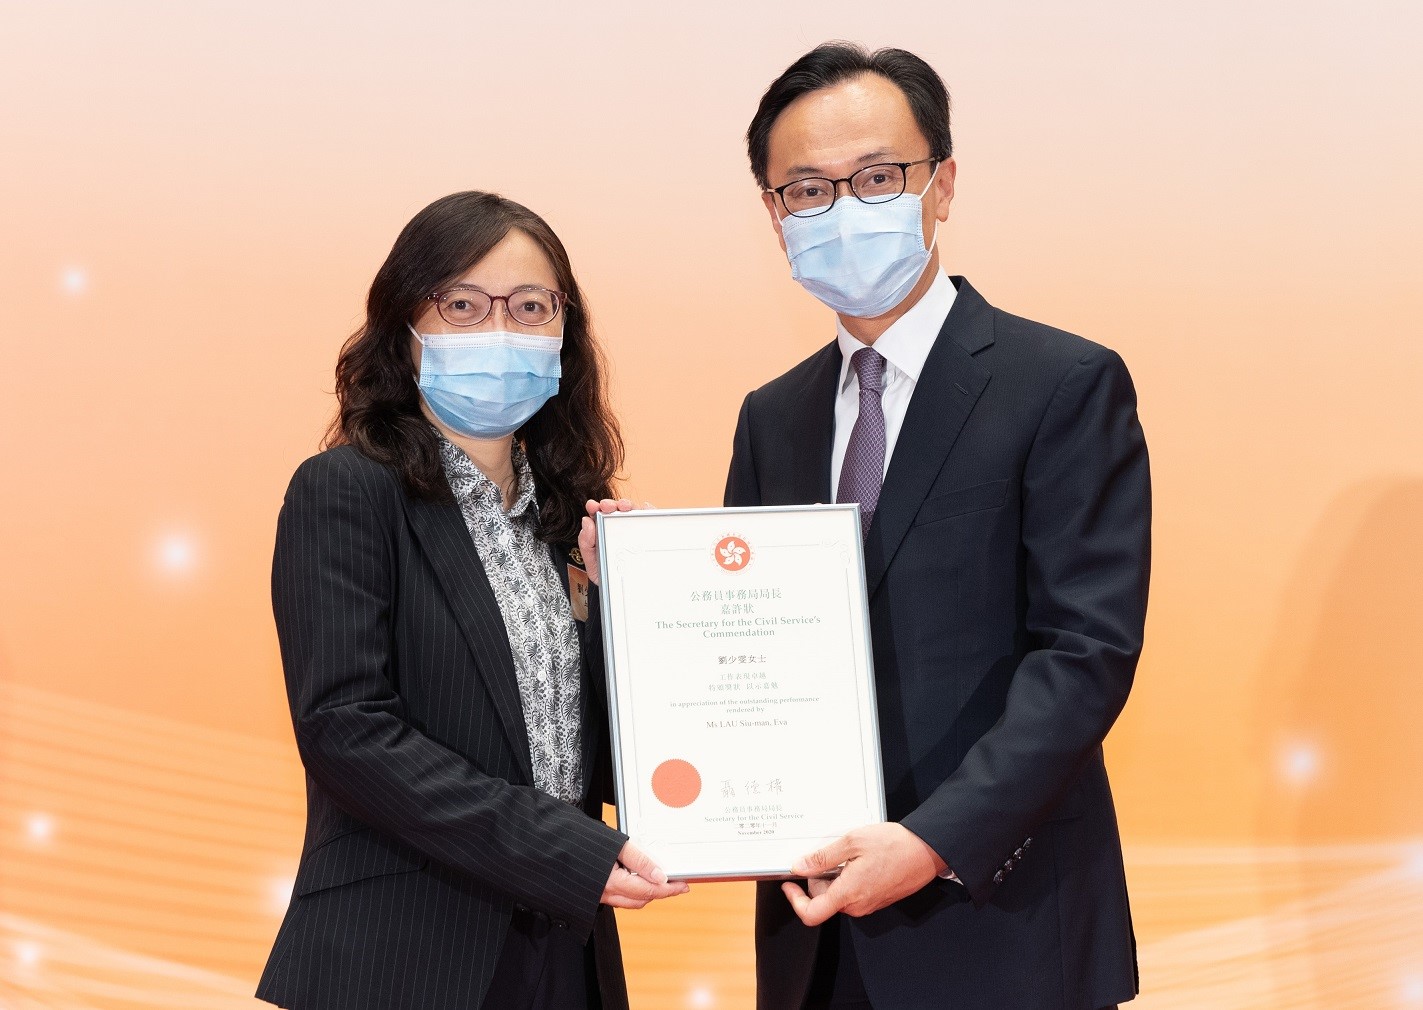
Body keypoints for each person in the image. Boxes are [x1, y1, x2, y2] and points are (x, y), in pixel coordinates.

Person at [725, 44, 1150, 1010]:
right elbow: (748, 645)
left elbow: (1082, 654)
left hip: (1002, 928)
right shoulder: (772, 416)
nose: (842, 209)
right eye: (806, 189)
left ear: (942, 183)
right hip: (817, 935)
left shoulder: (1062, 385)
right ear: (773, 213)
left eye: (876, 177)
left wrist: (930, 843)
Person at [256, 191, 686, 1010]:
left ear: (565, 333)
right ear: (403, 326)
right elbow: (347, 732)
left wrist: (621, 608)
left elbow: (591, 753)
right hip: (401, 953)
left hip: (562, 950)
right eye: (461, 304)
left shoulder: (570, 519)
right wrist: (557, 850)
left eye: (531, 307)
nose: (499, 330)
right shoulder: (345, 492)